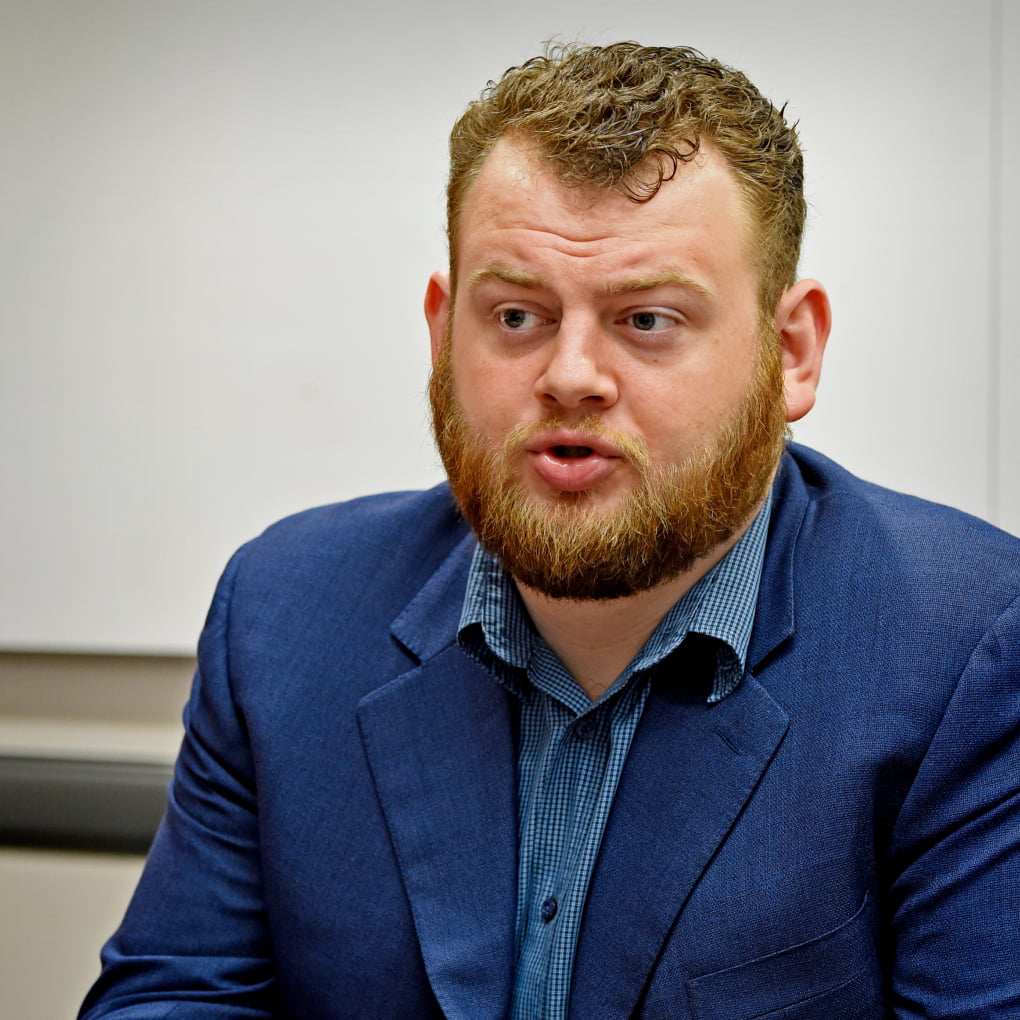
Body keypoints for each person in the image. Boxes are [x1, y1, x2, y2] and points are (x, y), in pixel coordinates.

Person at [79, 42, 1020, 1020]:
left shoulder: (968, 649)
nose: (571, 375)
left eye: (648, 319)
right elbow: (171, 997)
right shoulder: (283, 612)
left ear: (790, 354)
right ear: (444, 336)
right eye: (519, 315)